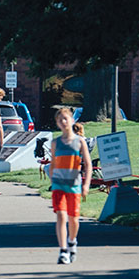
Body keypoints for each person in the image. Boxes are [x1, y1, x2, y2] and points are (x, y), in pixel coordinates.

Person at [47, 108, 94, 264]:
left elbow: (88, 164)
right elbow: (53, 163)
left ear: (72, 120)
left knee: (73, 219)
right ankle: (63, 250)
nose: (63, 122)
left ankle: (72, 241)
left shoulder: (79, 142)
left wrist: (86, 184)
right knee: (61, 215)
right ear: (57, 123)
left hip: (74, 184)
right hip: (59, 184)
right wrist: (52, 180)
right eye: (60, 120)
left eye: (66, 118)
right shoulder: (55, 142)